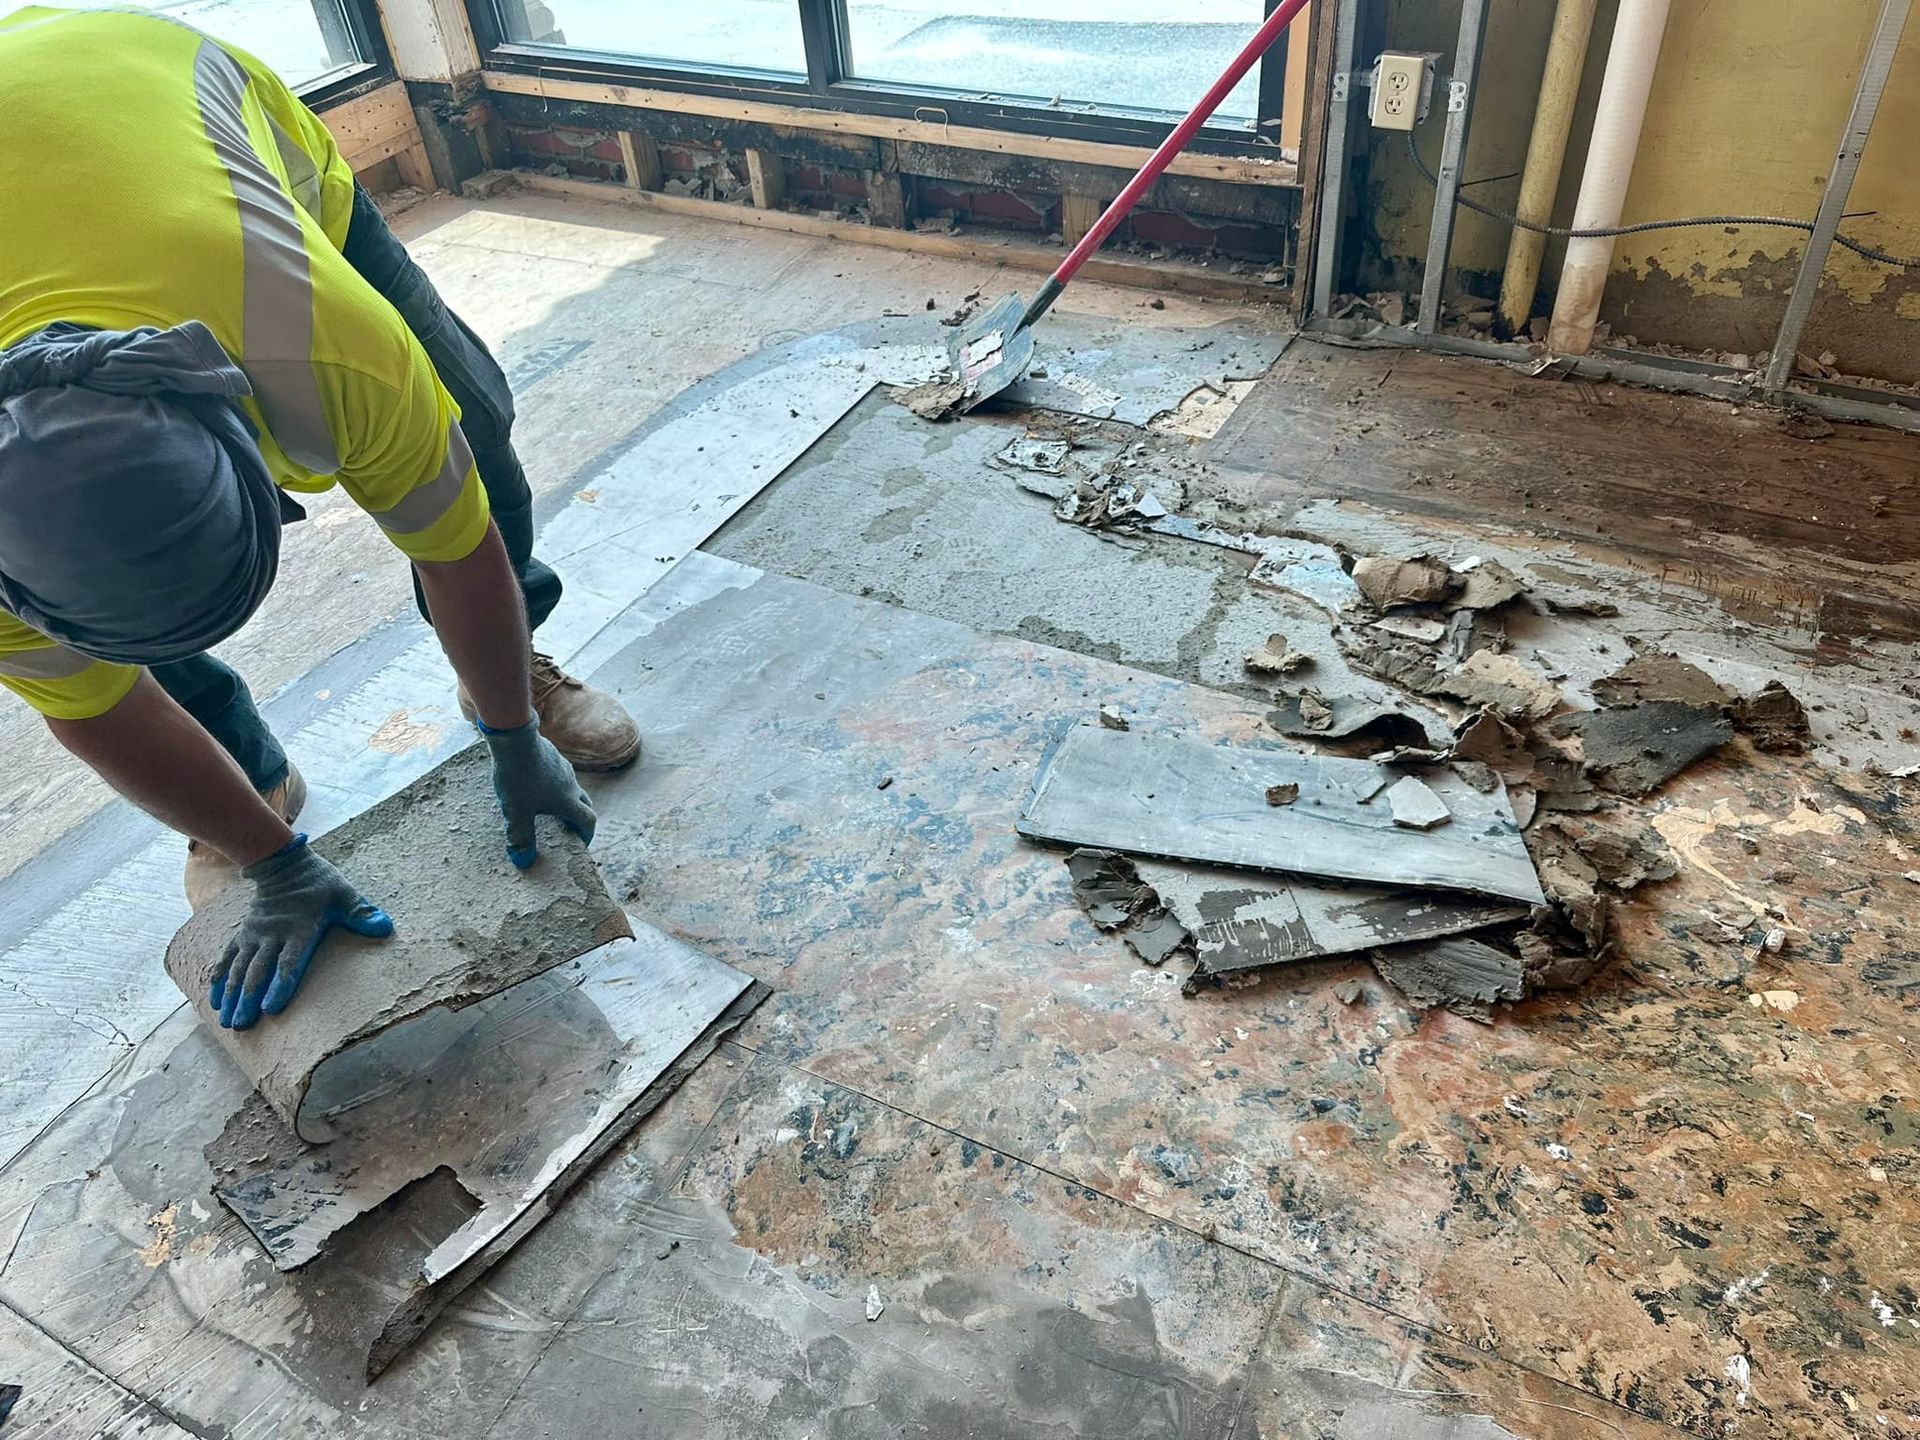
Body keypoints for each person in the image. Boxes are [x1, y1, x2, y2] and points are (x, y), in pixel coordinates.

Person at [0, 6, 641, 1031]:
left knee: (467, 420)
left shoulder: (316, 346)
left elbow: (456, 542)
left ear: (251, 443)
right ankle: (252, 795)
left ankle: (514, 673)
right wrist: (274, 866)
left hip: (148, 87)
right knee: (108, 590)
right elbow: (91, 706)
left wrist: (513, 734)